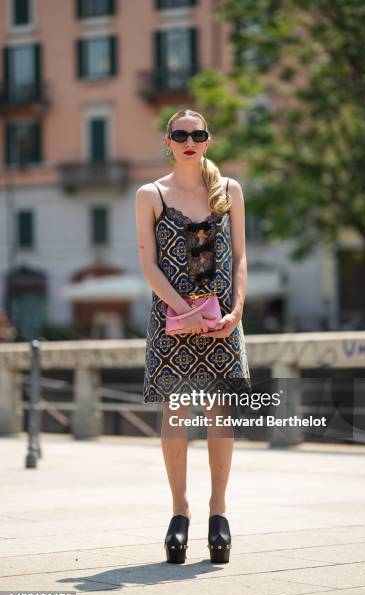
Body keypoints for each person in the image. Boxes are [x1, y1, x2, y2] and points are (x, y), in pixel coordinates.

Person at [135, 108, 251, 564]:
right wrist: (185, 310)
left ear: (208, 140)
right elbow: (148, 266)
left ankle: (217, 513)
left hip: (223, 321)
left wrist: (236, 310)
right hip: (171, 320)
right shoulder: (150, 194)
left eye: (197, 134)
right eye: (180, 134)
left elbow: (240, 258)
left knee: (221, 412)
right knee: (176, 411)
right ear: (168, 141)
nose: (189, 140)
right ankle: (179, 514)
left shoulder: (229, 191)